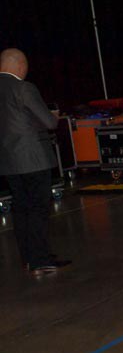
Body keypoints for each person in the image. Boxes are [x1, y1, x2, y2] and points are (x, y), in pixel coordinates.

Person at [0, 48, 68, 275]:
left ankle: (29, 258)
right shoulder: (24, 88)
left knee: (21, 209)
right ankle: (40, 259)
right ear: (20, 66)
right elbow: (49, 122)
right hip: (33, 159)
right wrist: (53, 116)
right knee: (38, 208)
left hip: (8, 160)